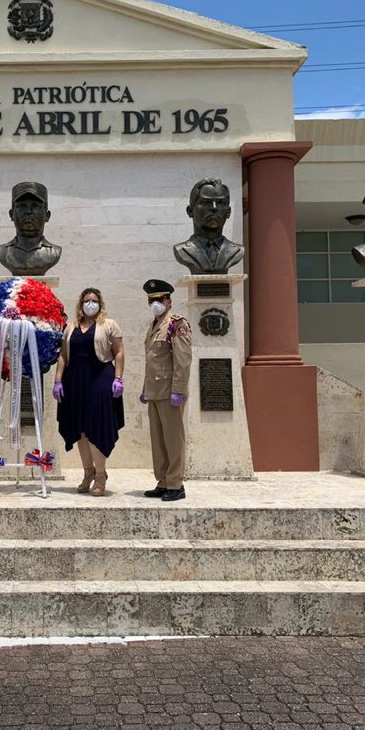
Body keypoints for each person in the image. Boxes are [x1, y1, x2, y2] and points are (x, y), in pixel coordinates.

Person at [52, 288, 125, 496]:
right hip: (75, 382)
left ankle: (101, 476)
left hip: (100, 379)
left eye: (94, 300)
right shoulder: (71, 327)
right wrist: (58, 381)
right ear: (80, 303)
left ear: (100, 303)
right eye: (86, 300)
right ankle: (88, 473)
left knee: (95, 428)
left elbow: (119, 352)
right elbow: (63, 356)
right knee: (80, 431)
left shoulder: (108, 325)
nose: (90, 304)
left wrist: (118, 378)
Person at [139, 279, 192, 501]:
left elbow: (183, 360)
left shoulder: (176, 324)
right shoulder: (154, 325)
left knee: (173, 439)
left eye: (159, 299)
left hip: (170, 391)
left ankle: (176, 484)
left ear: (169, 300)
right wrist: (145, 388)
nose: (155, 303)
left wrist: (178, 389)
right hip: (154, 390)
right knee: (158, 440)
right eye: (152, 300)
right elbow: (152, 361)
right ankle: (163, 481)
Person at [173, 178, 244, 275]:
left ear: (228, 212)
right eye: (206, 202)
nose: (214, 208)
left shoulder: (237, 250)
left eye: (221, 203)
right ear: (190, 211)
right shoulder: (182, 250)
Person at [0, 181, 62, 276]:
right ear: (11, 214)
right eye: (22, 206)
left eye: (36, 206)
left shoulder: (54, 252)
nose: (29, 211)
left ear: (47, 215)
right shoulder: (2, 252)